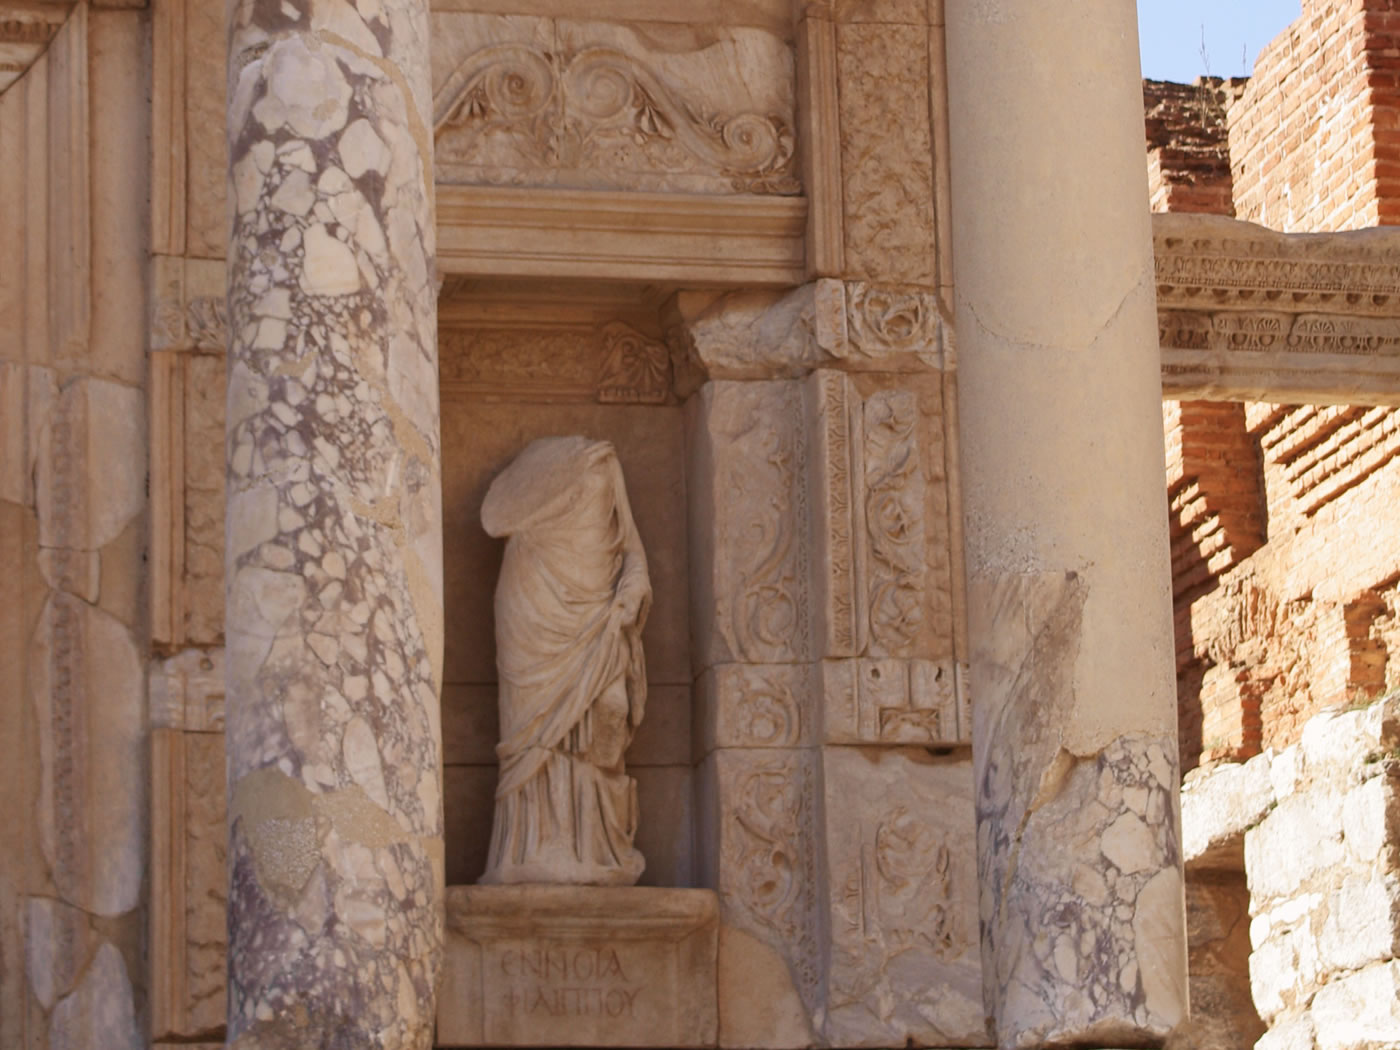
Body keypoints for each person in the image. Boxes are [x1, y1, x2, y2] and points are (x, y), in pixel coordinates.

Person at [478, 436, 650, 885]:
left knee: (610, 708)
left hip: (597, 609)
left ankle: (596, 847)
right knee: (534, 730)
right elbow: (498, 517)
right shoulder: (536, 485)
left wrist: (634, 586)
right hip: (533, 608)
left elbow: (631, 547)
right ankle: (531, 847)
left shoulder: (605, 463)